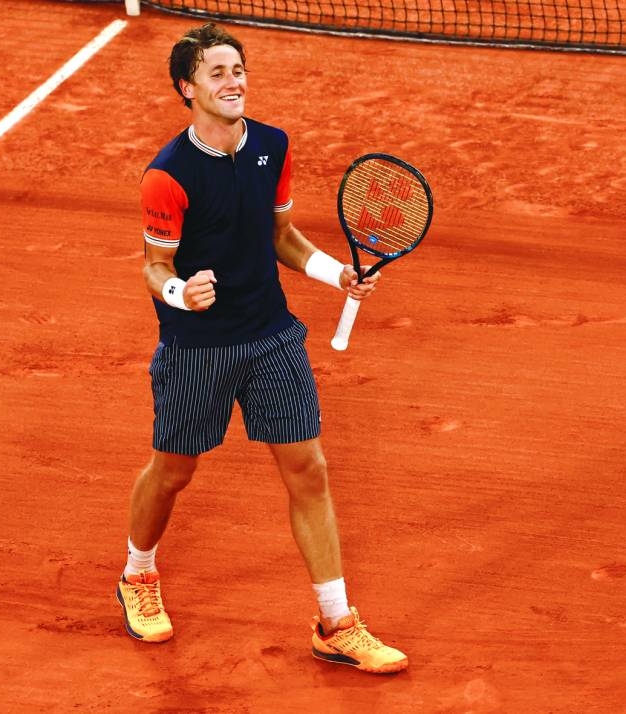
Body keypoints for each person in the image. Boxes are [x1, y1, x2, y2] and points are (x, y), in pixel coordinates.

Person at [116, 22, 408, 675]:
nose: (233, 82)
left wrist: (339, 274)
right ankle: (138, 574)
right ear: (186, 87)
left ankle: (336, 622)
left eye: (238, 69)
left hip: (272, 335)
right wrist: (177, 293)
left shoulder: (273, 147)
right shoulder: (167, 175)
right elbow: (153, 264)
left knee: (309, 469)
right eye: (217, 73)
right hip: (198, 346)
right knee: (174, 470)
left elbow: (282, 236)